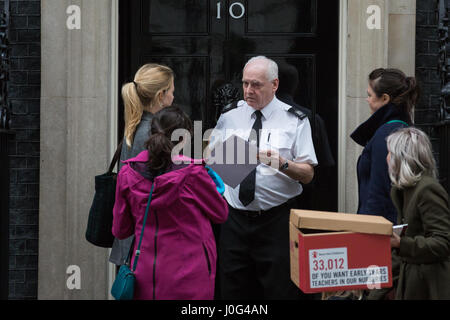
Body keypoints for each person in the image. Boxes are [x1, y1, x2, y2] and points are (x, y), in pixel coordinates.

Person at [209, 56, 318, 299]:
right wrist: (229, 160)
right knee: (232, 291)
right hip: (234, 220)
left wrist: (282, 164)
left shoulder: (295, 120)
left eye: (256, 84)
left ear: (275, 85)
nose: (248, 90)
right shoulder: (230, 115)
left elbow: (308, 174)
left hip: (275, 221)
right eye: (245, 83)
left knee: (280, 290)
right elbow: (211, 162)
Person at [112, 106, 229, 300]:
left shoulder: (127, 172)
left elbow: (121, 230)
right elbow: (220, 213)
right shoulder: (194, 173)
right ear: (183, 139)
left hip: (145, 273)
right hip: (191, 272)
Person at [109, 63, 175, 266]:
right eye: (172, 91)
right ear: (161, 95)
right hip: (145, 245)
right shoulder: (153, 135)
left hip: (130, 239)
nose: (173, 97)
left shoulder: (136, 126)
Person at [387, 127, 450, 300]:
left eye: (390, 153)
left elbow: (443, 242)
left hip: (429, 286)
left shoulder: (427, 189)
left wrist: (402, 243)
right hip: (412, 284)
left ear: (402, 157)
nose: (387, 158)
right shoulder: (404, 190)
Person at [350, 68, 418, 224]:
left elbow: (379, 192)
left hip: (380, 230)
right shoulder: (402, 128)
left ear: (385, 98)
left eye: (369, 95)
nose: (367, 100)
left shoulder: (385, 135)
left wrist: (369, 230)